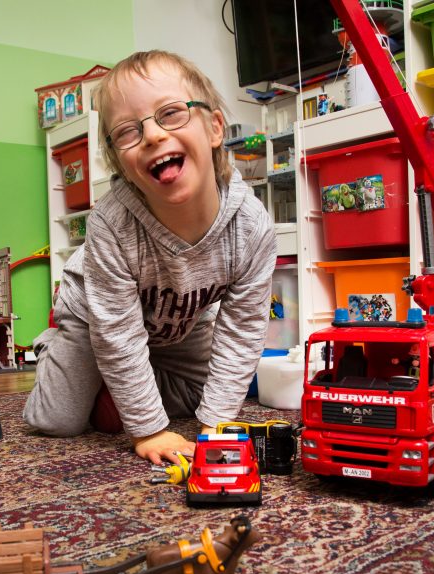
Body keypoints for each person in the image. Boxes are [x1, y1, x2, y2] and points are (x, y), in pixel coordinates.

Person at [23, 50, 277, 466]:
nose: (154, 135)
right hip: (97, 316)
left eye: (171, 113)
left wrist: (215, 425)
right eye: (128, 131)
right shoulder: (111, 224)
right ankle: (60, 348)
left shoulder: (251, 226)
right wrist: (149, 429)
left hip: (180, 321)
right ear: (121, 165)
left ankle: (121, 382)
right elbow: (118, 334)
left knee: (209, 397)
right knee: (56, 420)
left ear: (214, 128)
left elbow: (243, 331)